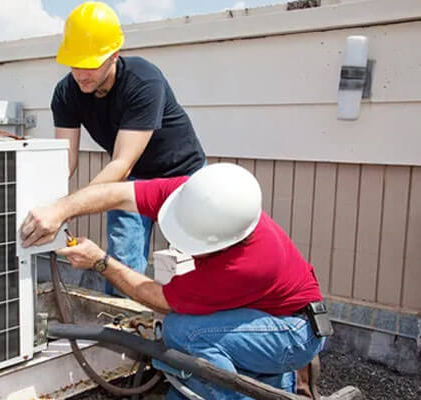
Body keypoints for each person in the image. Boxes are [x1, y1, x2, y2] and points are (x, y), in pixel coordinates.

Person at [20, 163, 328, 400]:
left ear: (222, 242)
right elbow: (116, 193)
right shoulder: (196, 195)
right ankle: (269, 382)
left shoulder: (247, 264)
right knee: (192, 360)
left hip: (294, 333)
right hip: (268, 314)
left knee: (183, 332)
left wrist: (100, 261)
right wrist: (60, 209)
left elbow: (158, 298)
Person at [52, 1, 206, 295]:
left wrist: (67, 207)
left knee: (197, 259)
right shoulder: (66, 93)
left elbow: (122, 163)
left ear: (114, 55)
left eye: (92, 63)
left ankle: (191, 327)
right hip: (133, 181)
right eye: (75, 63)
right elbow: (65, 160)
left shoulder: (143, 80)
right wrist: (50, 203)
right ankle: (123, 329)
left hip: (183, 176)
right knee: (122, 261)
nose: (82, 73)